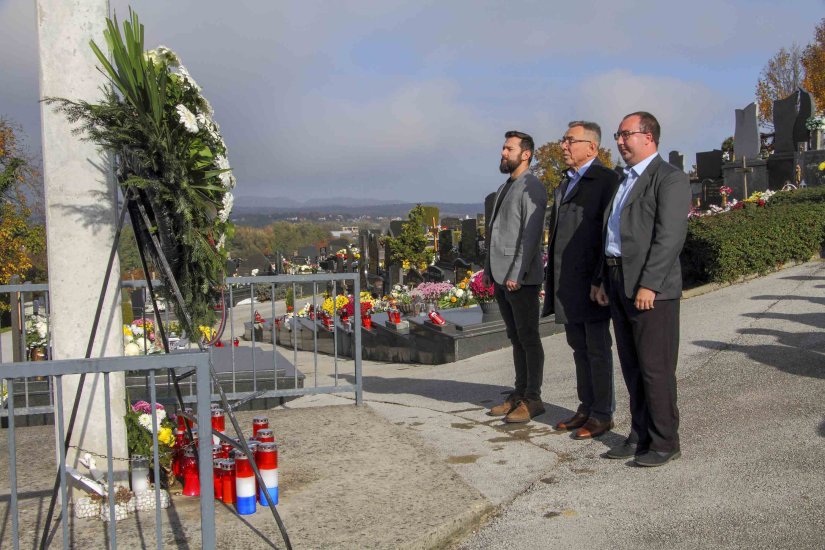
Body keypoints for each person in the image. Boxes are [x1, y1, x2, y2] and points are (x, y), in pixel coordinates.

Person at [593, 112, 690, 467]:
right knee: (632, 366)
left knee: (655, 367)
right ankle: (640, 434)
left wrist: (649, 283)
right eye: (618, 135)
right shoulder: (624, 180)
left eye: (625, 134)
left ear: (648, 137)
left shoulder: (669, 179)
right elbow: (613, 236)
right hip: (619, 281)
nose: (619, 141)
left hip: (652, 288)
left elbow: (669, 238)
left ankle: (665, 441)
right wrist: (604, 279)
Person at [542, 121, 619, 439]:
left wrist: (601, 278)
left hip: (591, 282)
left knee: (598, 349)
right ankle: (586, 406)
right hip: (568, 281)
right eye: (563, 140)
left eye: (569, 140)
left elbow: (608, 233)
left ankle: (603, 413)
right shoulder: (566, 182)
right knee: (579, 347)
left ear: (591, 146)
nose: (563, 146)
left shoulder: (605, 179)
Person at [484, 130, 548, 423]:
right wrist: (488, 269)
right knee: (515, 337)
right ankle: (519, 392)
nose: (503, 152)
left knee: (529, 337)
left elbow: (530, 235)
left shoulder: (532, 187)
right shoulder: (504, 187)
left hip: (519, 277)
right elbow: (497, 232)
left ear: (525, 154)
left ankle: (533, 398)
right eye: (503, 147)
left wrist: (516, 272)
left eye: (508, 148)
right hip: (500, 275)